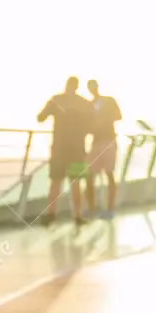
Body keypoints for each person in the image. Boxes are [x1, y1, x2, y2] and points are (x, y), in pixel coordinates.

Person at [37, 76, 93, 226]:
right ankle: (77, 216)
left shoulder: (56, 100)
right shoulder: (84, 103)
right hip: (77, 149)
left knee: (56, 182)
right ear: (76, 87)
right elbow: (93, 124)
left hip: (59, 149)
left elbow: (40, 117)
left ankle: (51, 214)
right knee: (75, 183)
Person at [86, 80, 123, 216]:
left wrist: (103, 119)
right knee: (90, 175)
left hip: (108, 141)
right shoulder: (89, 105)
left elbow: (119, 116)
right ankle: (92, 208)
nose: (92, 89)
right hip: (96, 141)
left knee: (109, 173)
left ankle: (110, 208)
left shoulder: (109, 101)